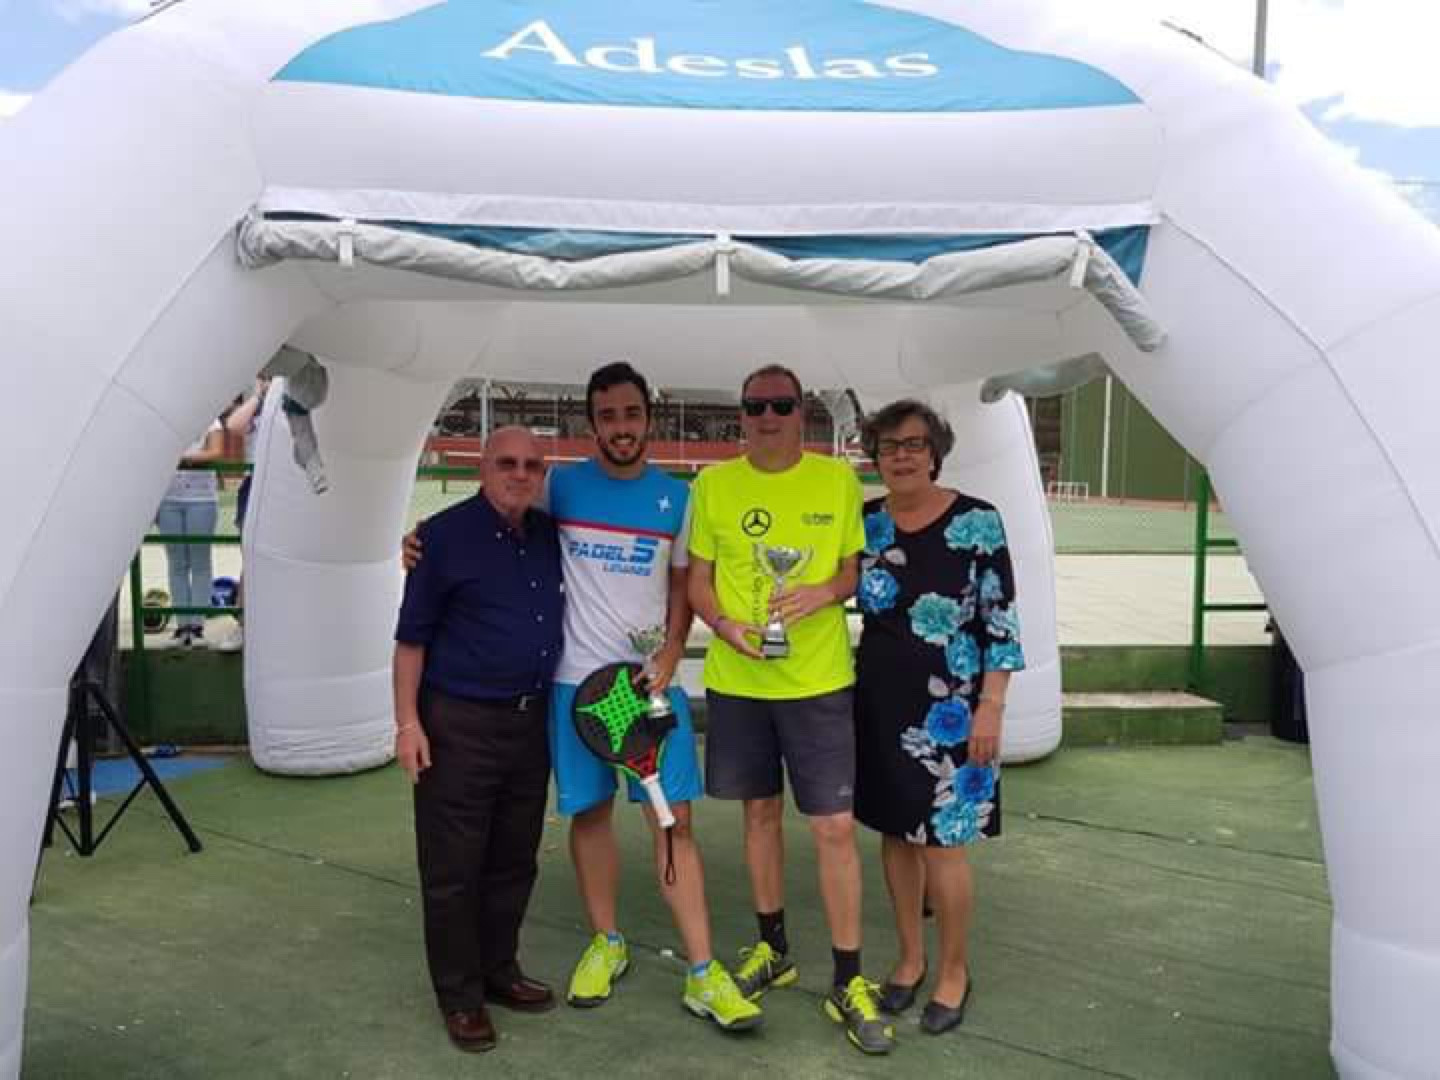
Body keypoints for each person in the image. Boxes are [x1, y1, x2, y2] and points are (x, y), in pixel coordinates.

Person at [405, 363, 761, 1032]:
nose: (620, 427)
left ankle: (702, 971)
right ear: (592, 423)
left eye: (631, 414)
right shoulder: (559, 486)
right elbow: (492, 512)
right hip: (575, 689)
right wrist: (421, 542)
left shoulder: (678, 498)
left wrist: (669, 652)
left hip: (647, 688)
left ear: (648, 417)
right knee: (590, 817)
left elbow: (682, 588)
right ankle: (607, 942)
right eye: (607, 416)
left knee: (674, 824)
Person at [686, 364, 893, 1055]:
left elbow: (852, 570)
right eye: (756, 405)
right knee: (759, 815)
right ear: (742, 414)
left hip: (819, 682)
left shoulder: (837, 480)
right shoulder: (713, 485)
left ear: (802, 411)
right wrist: (723, 626)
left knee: (833, 827)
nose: (768, 416)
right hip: (740, 681)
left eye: (781, 404)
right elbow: (698, 581)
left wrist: (822, 593)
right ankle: (772, 949)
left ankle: (848, 978)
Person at [852, 399, 1026, 1035]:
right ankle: (910, 958)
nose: (901, 456)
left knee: (945, 846)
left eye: (914, 444)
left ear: (935, 453)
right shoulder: (865, 522)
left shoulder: (978, 521)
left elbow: (1000, 623)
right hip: (878, 704)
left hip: (955, 710)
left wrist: (991, 707)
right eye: (889, 446)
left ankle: (954, 970)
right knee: (896, 837)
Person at [393, 426, 564, 1053]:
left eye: (532, 465)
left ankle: (499, 969)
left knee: (514, 859)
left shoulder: (548, 533)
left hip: (528, 722)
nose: (520, 474)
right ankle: (460, 996)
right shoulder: (440, 538)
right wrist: (407, 723)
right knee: (453, 867)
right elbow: (410, 640)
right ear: (483, 468)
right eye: (507, 463)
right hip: (458, 723)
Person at [155, 418, 225, 647]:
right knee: (176, 563)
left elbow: (215, 451)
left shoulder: (211, 422)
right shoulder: (165, 420)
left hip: (201, 499)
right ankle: (182, 626)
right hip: (168, 498)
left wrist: (184, 458)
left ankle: (197, 627)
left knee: (200, 562)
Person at [215, 376, 270, 653]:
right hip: (255, 485)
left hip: (286, 487)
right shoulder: (257, 409)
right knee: (251, 560)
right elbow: (234, 426)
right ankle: (244, 625)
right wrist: (259, 396)